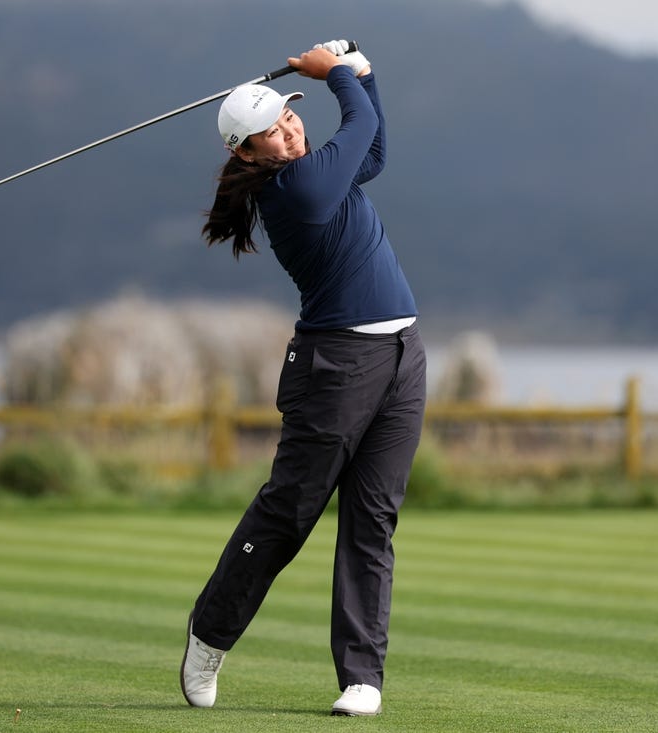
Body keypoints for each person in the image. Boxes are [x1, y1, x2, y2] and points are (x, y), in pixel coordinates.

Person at [181, 41, 427, 717]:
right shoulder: (293, 191)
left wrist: (365, 78)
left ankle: (361, 676)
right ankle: (210, 634)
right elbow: (360, 131)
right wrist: (340, 74)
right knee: (289, 513)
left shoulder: (322, 171)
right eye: (274, 130)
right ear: (247, 154)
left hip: (402, 354)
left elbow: (369, 151)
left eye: (291, 117)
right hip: (336, 366)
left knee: (373, 518)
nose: (291, 127)